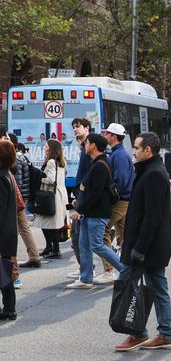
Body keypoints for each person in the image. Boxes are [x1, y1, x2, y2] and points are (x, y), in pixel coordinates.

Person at [114, 132, 171, 351]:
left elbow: (152, 217)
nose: (133, 152)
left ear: (148, 150)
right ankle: (164, 332)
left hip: (146, 247)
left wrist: (138, 248)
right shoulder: (150, 171)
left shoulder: (154, 174)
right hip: (149, 245)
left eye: (137, 149)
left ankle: (138, 332)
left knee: (128, 285)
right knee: (156, 286)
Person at [66, 134, 126, 289]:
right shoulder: (97, 163)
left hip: (98, 213)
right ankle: (85, 278)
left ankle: (126, 271)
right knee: (84, 244)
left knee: (97, 245)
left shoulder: (100, 165)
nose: (84, 145)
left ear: (92, 145)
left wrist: (79, 209)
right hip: (91, 212)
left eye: (86, 143)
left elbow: (95, 193)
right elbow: (88, 189)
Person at [94, 123, 135, 285]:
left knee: (102, 230)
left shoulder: (118, 156)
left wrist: (110, 197)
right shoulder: (118, 153)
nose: (105, 135)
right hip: (125, 200)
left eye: (107, 133)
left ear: (114, 136)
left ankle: (109, 269)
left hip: (120, 201)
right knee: (124, 235)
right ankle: (128, 267)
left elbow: (121, 181)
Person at [5, 134, 41, 269]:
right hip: (20, 197)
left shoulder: (15, 159)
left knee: (13, 230)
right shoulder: (20, 156)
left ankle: (13, 267)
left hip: (16, 198)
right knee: (24, 227)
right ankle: (34, 256)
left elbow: (17, 182)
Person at [31, 139, 67, 260]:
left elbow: (51, 180)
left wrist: (39, 178)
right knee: (50, 223)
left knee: (49, 223)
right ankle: (50, 248)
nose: (44, 148)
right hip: (59, 194)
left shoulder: (51, 161)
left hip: (51, 195)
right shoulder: (60, 161)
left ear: (51, 149)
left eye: (46, 146)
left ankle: (54, 249)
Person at [68, 118, 93, 279]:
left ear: (87, 128)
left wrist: (81, 199)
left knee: (85, 240)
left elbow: (88, 176)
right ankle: (86, 269)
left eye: (78, 127)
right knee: (79, 238)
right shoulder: (84, 149)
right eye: (74, 127)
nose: (75, 129)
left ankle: (88, 270)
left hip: (85, 200)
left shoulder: (90, 150)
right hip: (81, 198)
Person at [0, 140, 18, 320]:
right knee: (4, 271)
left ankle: (9, 308)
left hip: (3, 231)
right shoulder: (7, 174)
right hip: (8, 230)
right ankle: (9, 308)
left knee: (4, 272)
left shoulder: (2, 177)